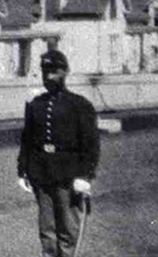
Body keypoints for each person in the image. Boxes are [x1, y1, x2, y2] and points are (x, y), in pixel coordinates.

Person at [17, 50, 100, 257]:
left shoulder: (80, 105)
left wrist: (85, 176)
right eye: (45, 71)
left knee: (68, 231)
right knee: (47, 230)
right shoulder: (36, 105)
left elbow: (90, 145)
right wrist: (22, 170)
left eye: (54, 71)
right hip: (41, 174)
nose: (49, 76)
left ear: (65, 72)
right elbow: (27, 140)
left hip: (68, 175)